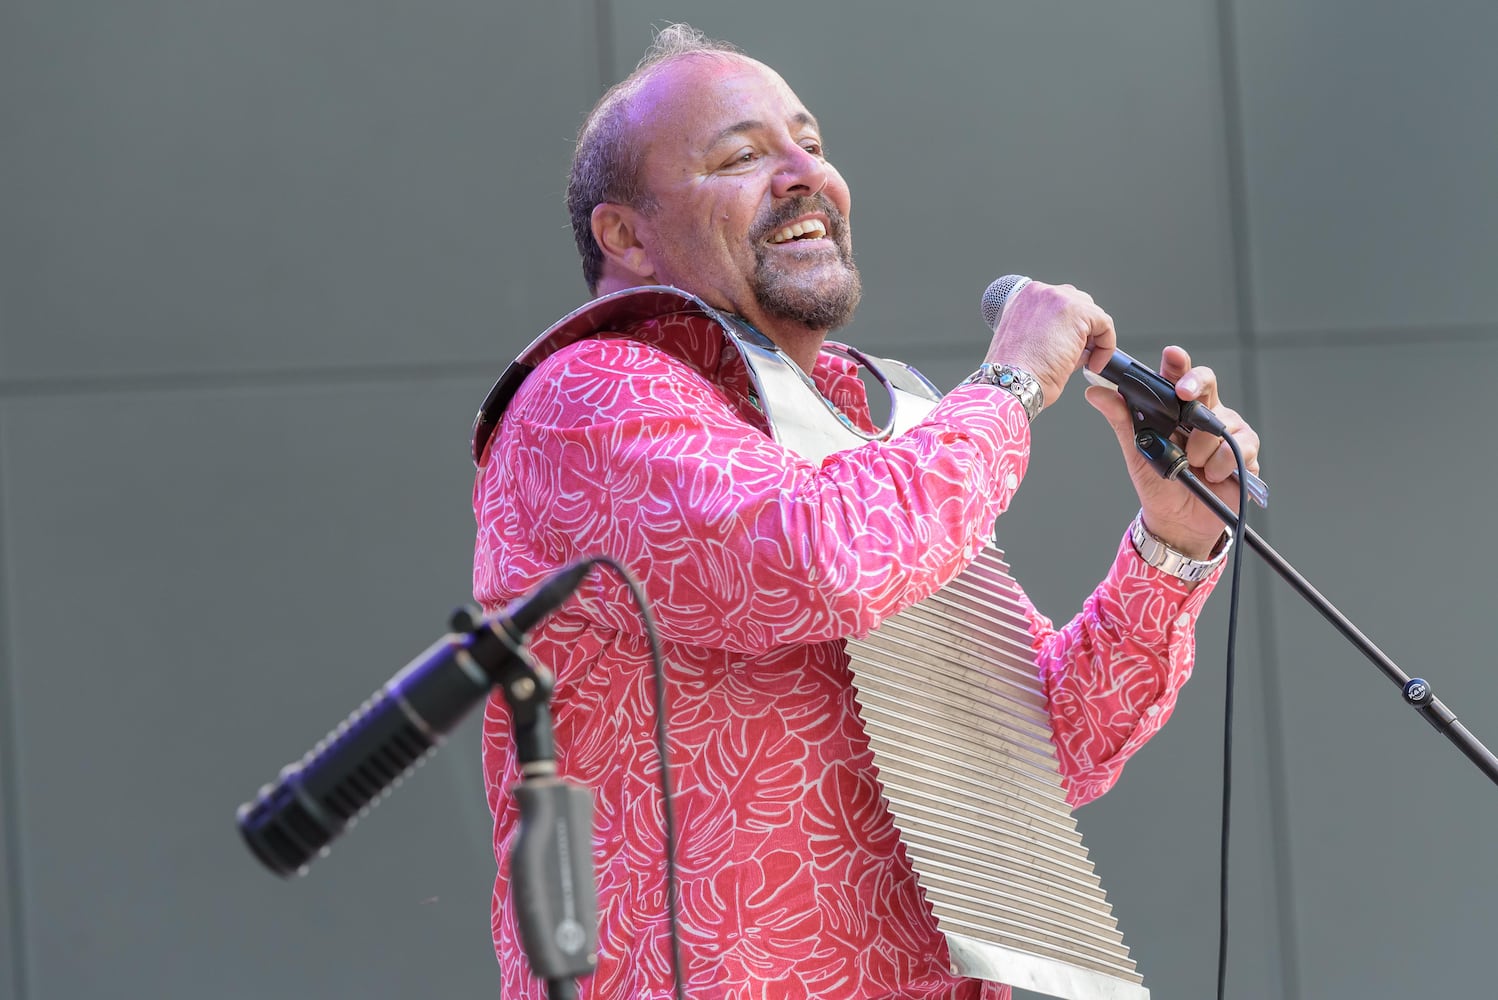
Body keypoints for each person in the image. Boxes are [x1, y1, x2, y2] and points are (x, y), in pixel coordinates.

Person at [472, 23, 1261, 1000]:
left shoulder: (870, 430)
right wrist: (1009, 384)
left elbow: (1051, 746)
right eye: (743, 155)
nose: (807, 173)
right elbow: (818, 559)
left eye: (810, 141)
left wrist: (1174, 540)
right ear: (626, 233)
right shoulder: (591, 394)